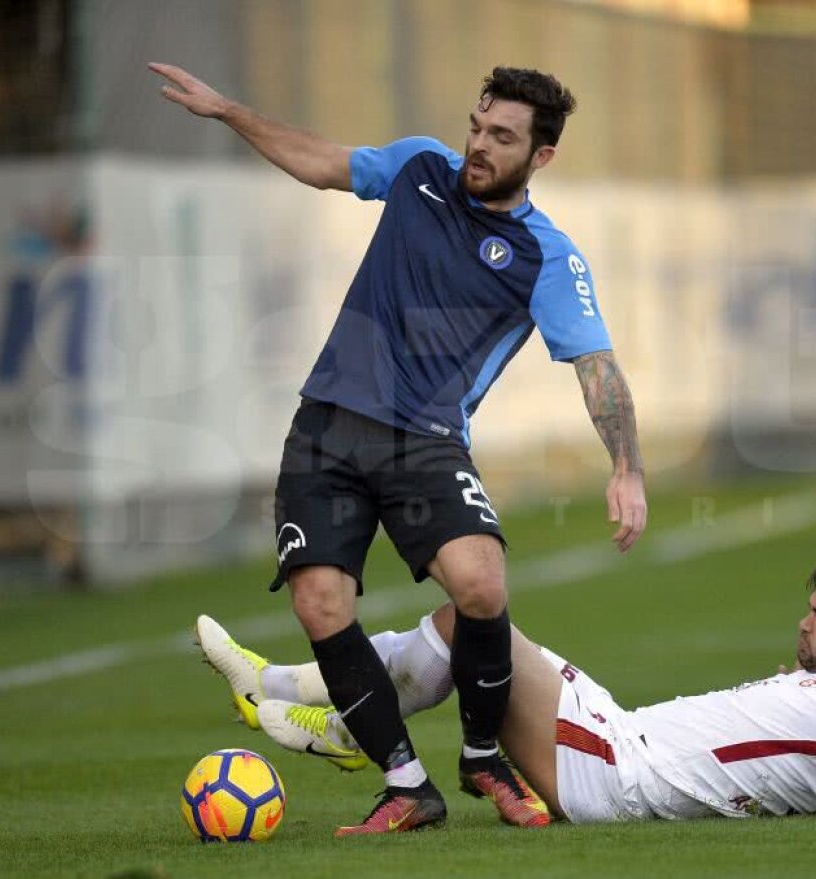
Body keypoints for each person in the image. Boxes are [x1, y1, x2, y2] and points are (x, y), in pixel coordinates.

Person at [152, 61, 648, 835]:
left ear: (541, 156)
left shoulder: (548, 257)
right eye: (478, 125)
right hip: (327, 424)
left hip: (426, 438)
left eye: (502, 137)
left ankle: (483, 757)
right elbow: (323, 163)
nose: (477, 145)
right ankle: (406, 783)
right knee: (321, 602)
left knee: (481, 584)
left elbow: (596, 366)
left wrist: (626, 466)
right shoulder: (421, 167)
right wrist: (227, 112)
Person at [197, 554, 816, 823]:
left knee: (478, 619)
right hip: (616, 733)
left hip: (614, 768)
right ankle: (318, 708)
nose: (804, 627)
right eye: (808, 611)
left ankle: (328, 717)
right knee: (468, 622)